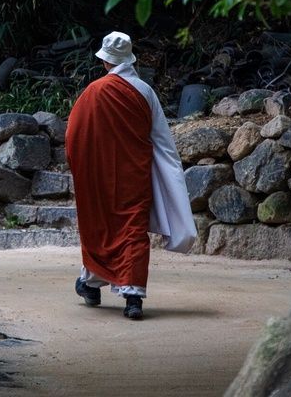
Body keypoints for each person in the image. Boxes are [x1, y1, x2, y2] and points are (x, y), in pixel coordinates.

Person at [65, 31, 197, 321]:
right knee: (131, 229)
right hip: (134, 177)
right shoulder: (144, 92)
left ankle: (90, 284)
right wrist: (170, 174)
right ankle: (132, 297)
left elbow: (74, 135)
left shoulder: (93, 92)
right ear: (129, 58)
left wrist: (81, 166)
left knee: (100, 227)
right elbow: (162, 141)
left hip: (99, 177)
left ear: (105, 62)